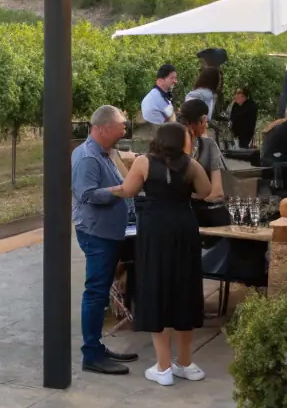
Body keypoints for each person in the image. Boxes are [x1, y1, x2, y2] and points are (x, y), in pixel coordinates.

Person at [107, 122, 212, 386]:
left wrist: (105, 191)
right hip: (184, 228)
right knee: (184, 288)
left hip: (155, 230)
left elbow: (128, 190)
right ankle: (185, 363)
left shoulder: (144, 162)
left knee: (157, 288)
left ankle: (163, 367)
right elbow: (206, 191)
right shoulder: (191, 165)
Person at [71, 105, 139, 376]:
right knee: (96, 293)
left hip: (107, 231)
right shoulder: (88, 158)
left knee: (100, 293)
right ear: (102, 128)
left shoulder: (104, 152)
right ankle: (91, 354)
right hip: (97, 233)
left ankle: (97, 347)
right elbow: (86, 194)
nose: (124, 129)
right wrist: (121, 190)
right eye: (120, 126)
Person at [178, 98, 226, 199]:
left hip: (196, 204)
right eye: (205, 120)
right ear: (202, 120)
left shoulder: (208, 145)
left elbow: (217, 191)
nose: (206, 125)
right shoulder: (171, 144)